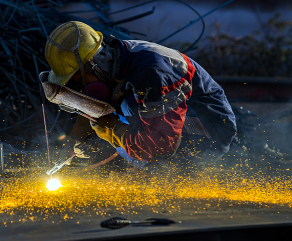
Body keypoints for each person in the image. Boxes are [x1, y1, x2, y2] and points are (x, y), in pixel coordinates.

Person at [42, 21, 237, 173]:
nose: (83, 89)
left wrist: (111, 130)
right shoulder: (114, 60)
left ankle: (169, 173)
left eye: (79, 80)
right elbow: (97, 105)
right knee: (124, 107)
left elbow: (162, 145)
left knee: (129, 108)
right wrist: (76, 138)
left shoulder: (153, 74)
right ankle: (142, 163)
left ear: (94, 65)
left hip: (209, 130)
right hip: (168, 118)